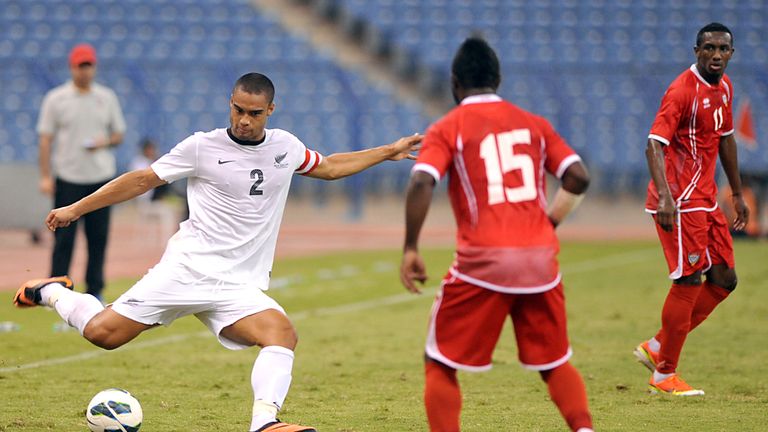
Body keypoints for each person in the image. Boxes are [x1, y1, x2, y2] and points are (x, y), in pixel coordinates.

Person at [15, 72, 422, 432]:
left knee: (281, 334)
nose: (244, 120)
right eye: (238, 110)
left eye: (254, 113)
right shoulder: (201, 147)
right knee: (103, 335)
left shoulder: (286, 147)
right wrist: (76, 208)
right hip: (186, 271)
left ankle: (265, 422)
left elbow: (330, 167)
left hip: (236, 286)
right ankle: (51, 292)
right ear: (230, 104)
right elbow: (141, 180)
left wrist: (387, 151)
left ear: (270, 111)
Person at [400, 38, 593, 432]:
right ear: (498, 79)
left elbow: (421, 180)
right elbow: (578, 177)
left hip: (483, 260)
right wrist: (550, 223)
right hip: (540, 260)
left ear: (455, 83)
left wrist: (410, 247)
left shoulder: (448, 127)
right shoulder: (534, 123)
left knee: (439, 361)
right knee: (554, 362)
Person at [635, 22, 749, 396]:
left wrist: (736, 192)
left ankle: (657, 346)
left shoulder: (725, 87)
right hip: (680, 201)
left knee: (725, 279)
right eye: (709, 48)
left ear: (731, 53)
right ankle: (664, 374)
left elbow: (726, 139)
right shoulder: (682, 90)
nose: (716, 55)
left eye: (723, 49)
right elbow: (654, 144)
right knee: (688, 280)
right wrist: (665, 197)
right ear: (696, 51)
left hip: (705, 198)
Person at [37, 43, 126, 300]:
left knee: (98, 239)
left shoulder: (106, 97)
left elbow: (118, 134)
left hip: (100, 179)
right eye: (80, 66)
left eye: (88, 65)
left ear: (94, 67)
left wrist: (104, 142)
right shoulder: (56, 98)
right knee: (63, 239)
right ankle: (56, 290)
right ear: (71, 67)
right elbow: (45, 139)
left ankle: (95, 291)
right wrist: (46, 176)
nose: (84, 71)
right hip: (69, 177)